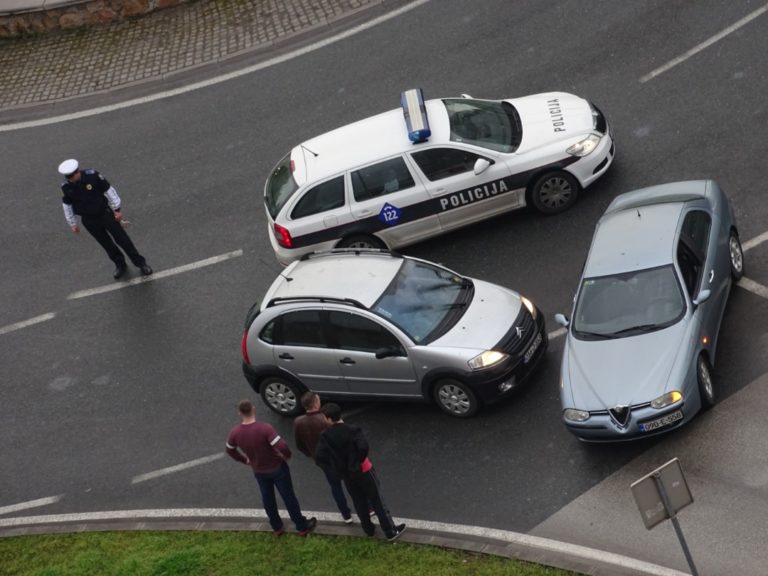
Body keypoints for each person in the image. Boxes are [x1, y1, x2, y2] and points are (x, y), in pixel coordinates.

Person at [314, 403, 406, 541]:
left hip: (346, 475)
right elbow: (363, 447)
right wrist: (356, 462)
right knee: (377, 501)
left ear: (329, 419)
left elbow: (320, 456)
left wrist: (336, 468)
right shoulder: (353, 430)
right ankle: (390, 531)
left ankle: (368, 530)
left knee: (359, 502)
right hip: (363, 470)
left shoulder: (325, 436)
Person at [225, 399, 317, 536]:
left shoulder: (235, 432)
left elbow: (230, 450)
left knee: (267, 498)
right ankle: (301, 526)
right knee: (288, 496)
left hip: (259, 471)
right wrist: (287, 455)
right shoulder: (264, 428)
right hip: (277, 468)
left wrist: (245, 460)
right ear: (253, 409)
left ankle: (276, 526)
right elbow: (282, 446)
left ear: (239, 413)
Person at [58, 159, 152, 280]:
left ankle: (140, 263)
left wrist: (117, 210)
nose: (70, 179)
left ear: (77, 172)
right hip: (89, 221)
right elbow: (67, 205)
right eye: (68, 177)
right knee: (107, 245)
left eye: (71, 176)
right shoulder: (66, 186)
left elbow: (109, 191)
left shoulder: (92, 176)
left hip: (105, 214)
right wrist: (72, 223)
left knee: (123, 240)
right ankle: (120, 265)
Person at [293, 392, 353, 524]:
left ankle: (346, 515)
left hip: (323, 461)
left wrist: (312, 455)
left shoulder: (298, 422)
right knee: (353, 483)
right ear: (315, 404)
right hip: (339, 458)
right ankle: (369, 509)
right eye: (318, 400)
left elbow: (300, 445)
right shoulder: (326, 419)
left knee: (335, 487)